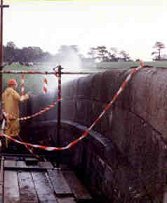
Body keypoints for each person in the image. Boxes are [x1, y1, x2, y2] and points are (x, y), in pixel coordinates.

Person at [2, 79, 29, 147]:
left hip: (6, 116)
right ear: (13, 85)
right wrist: (27, 95)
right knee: (15, 131)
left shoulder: (4, 93)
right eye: (16, 85)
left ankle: (6, 147)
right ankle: (14, 146)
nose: (16, 86)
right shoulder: (13, 92)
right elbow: (20, 99)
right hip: (14, 115)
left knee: (7, 132)